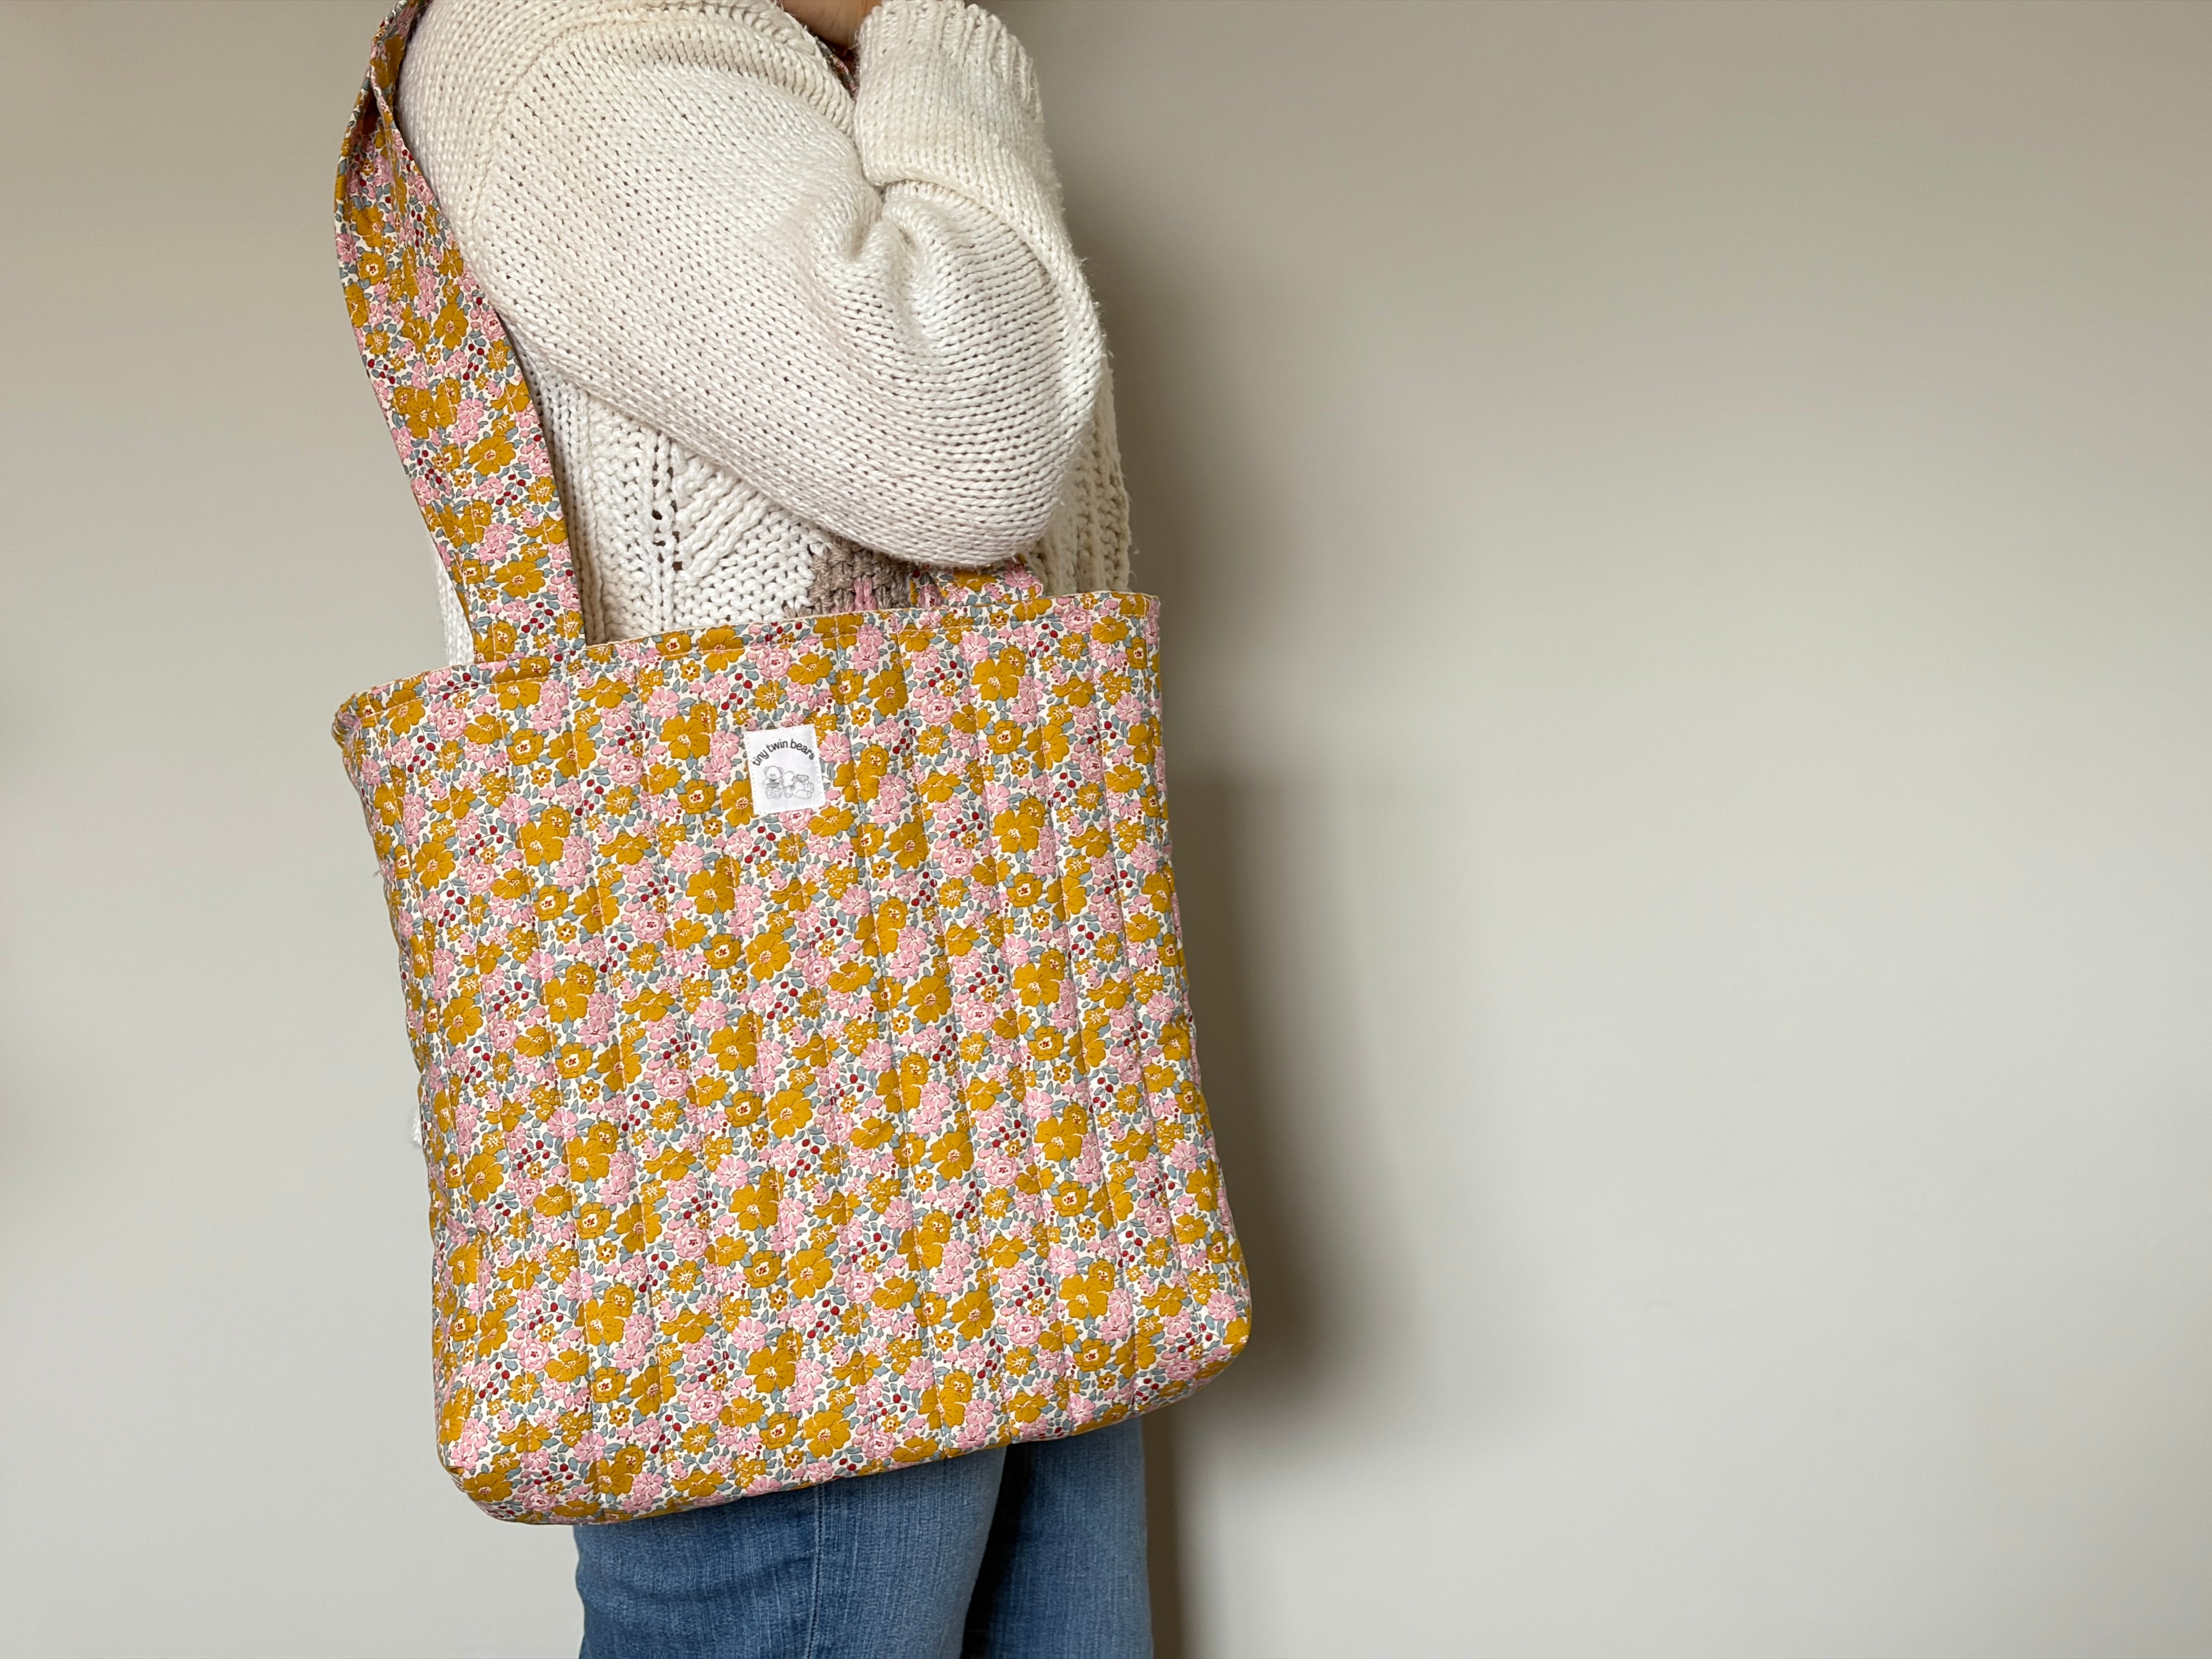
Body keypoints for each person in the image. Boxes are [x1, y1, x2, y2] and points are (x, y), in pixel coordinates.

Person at [392, 0, 1150, 1653]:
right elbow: (973, 446)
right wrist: (934, 32)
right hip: (788, 1143)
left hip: (1002, 1086)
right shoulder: (568, 41)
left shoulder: (772, 63)